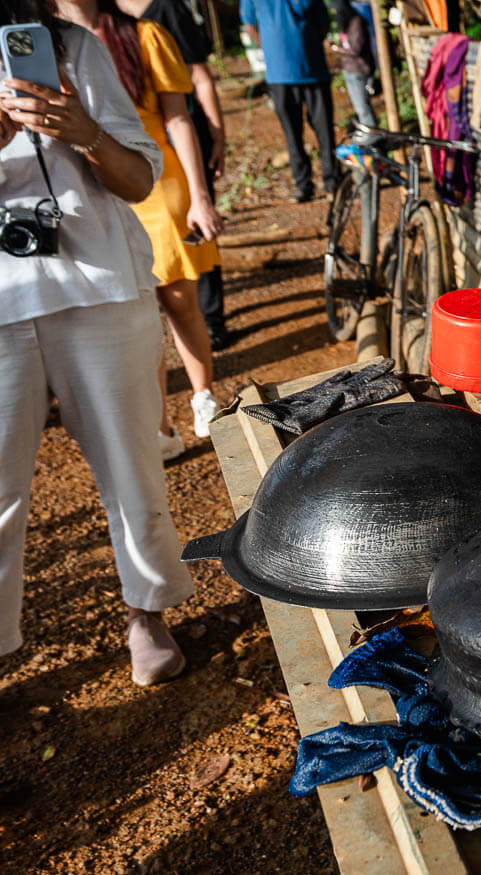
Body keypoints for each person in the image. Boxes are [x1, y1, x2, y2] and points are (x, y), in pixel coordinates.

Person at [1, 0, 196, 683]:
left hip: (101, 289)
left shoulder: (72, 48)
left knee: (132, 469)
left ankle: (148, 612)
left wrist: (84, 131)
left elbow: (140, 180)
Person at [57, 0, 226, 458]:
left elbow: (177, 117)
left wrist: (200, 195)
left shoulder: (145, 36)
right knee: (136, 313)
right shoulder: (45, 43)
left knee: (178, 299)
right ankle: (159, 424)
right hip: (93, 189)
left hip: (155, 177)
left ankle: (203, 394)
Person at [125, 0, 237, 350]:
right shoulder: (79, 25)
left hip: (185, 135)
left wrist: (217, 135)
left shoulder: (166, 10)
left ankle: (212, 320)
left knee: (198, 231)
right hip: (134, 152)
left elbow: (200, 77)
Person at [240, 0, 335, 201]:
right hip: (280, 74)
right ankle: (303, 184)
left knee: (324, 129)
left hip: (313, 71)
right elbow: (249, 24)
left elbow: (323, 22)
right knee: (292, 133)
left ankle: (332, 181)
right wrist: (271, 49)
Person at [332, 0, 375, 127]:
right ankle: (369, 133)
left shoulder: (356, 22)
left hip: (359, 69)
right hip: (349, 69)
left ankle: (372, 136)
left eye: (336, 10)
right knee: (359, 107)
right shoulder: (345, 24)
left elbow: (356, 48)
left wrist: (336, 48)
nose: (334, 13)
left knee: (363, 108)